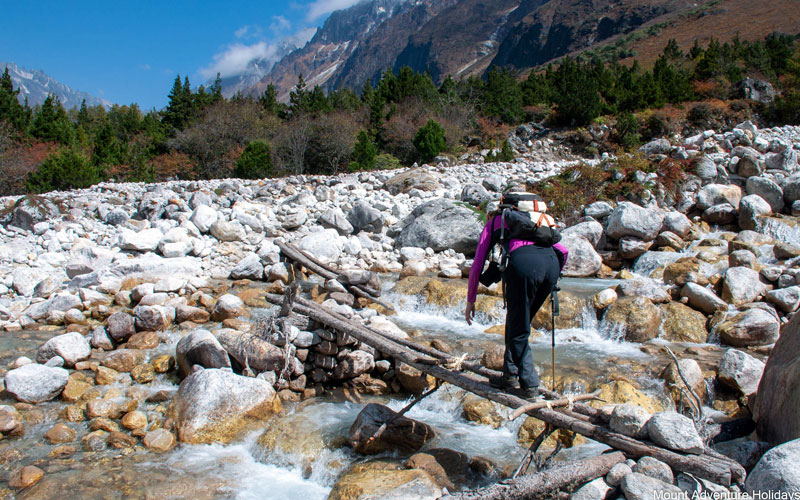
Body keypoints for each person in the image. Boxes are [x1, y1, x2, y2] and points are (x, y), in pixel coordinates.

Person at [464, 192, 568, 398]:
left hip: (523, 266)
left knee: (519, 330)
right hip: (551, 266)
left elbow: (477, 264)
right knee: (520, 322)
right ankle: (510, 374)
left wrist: (471, 298)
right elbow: (563, 251)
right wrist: (552, 278)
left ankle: (529, 384)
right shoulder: (538, 224)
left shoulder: (497, 222)